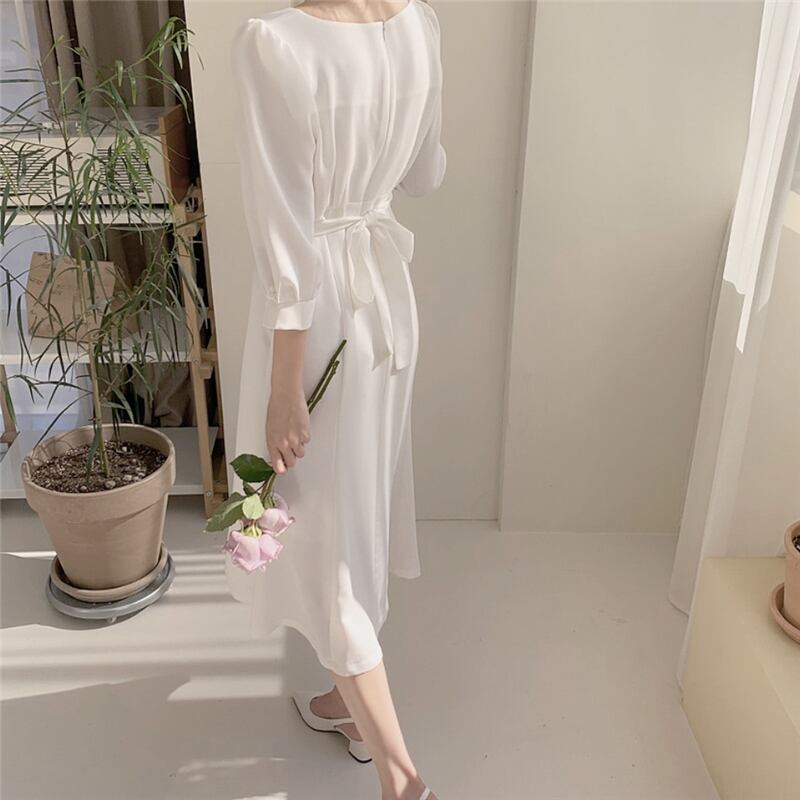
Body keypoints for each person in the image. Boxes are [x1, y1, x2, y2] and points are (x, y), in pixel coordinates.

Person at [227, 1, 446, 797]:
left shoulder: (274, 44)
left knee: (326, 540)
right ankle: (346, 707)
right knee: (355, 513)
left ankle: (402, 779)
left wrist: (286, 389)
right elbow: (426, 173)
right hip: (385, 305)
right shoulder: (419, 21)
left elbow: (286, 236)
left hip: (318, 322)